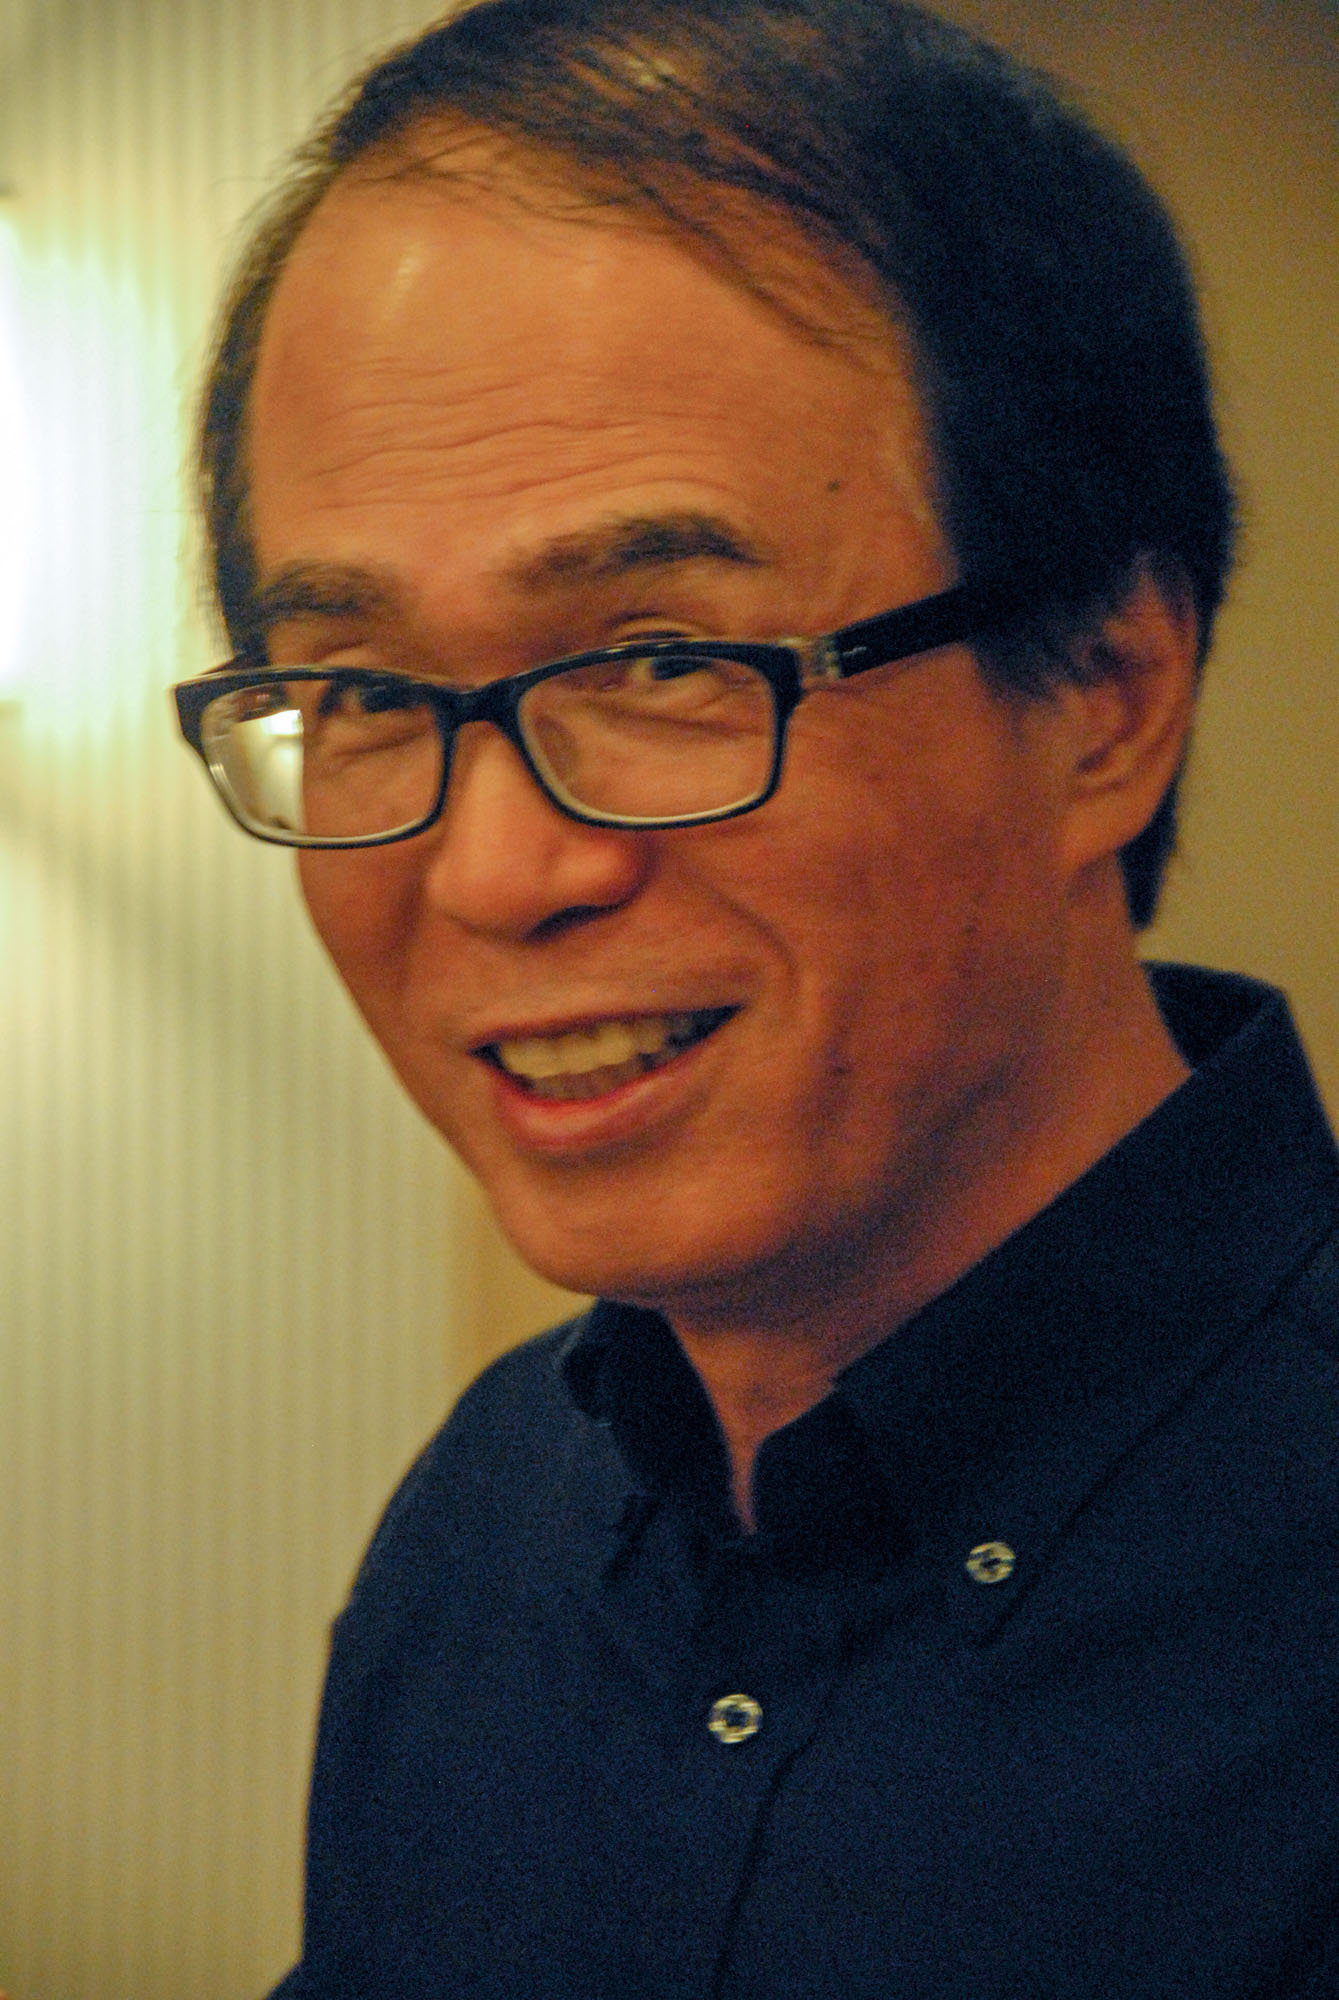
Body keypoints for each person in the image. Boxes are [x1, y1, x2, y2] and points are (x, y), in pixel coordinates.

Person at [173, 2, 1339, 1993]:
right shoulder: (490, 1516)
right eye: (359, 692)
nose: (490, 871)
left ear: (1103, 695)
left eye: (661, 660)